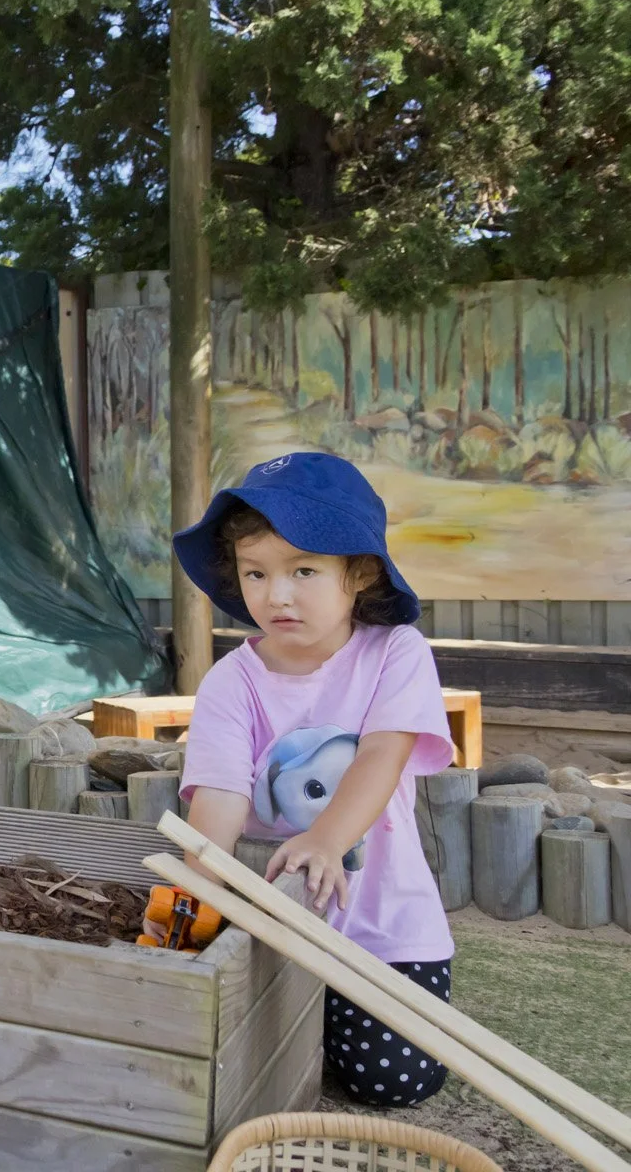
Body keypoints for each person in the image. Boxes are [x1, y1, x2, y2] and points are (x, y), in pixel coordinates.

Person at [169, 451, 456, 1108]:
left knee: (395, 1081)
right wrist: (197, 896)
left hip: (382, 922)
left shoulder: (396, 652)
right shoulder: (230, 683)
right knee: (225, 1062)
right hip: (273, 930)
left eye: (304, 570)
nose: (277, 594)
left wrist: (327, 838)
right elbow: (220, 796)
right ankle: (302, 1020)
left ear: (358, 573)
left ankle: (333, 1023)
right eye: (256, 573)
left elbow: (383, 753)